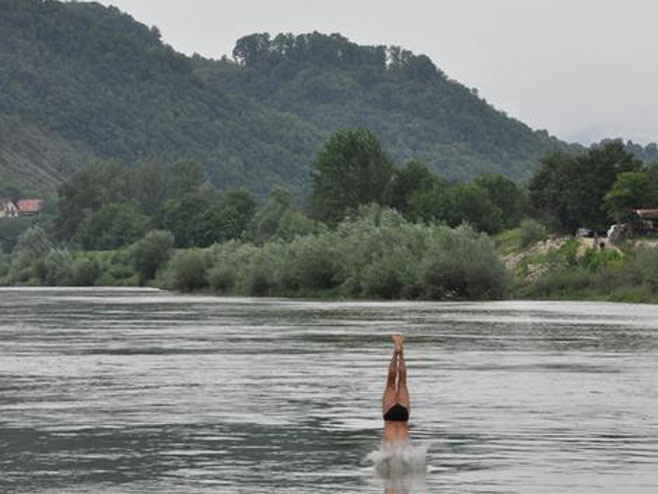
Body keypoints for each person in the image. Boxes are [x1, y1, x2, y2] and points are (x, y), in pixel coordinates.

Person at [382, 333, 410, 446]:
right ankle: (399, 352)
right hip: (399, 418)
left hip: (397, 417)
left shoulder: (391, 452)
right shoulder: (401, 452)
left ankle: (397, 352)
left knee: (397, 383)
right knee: (397, 383)